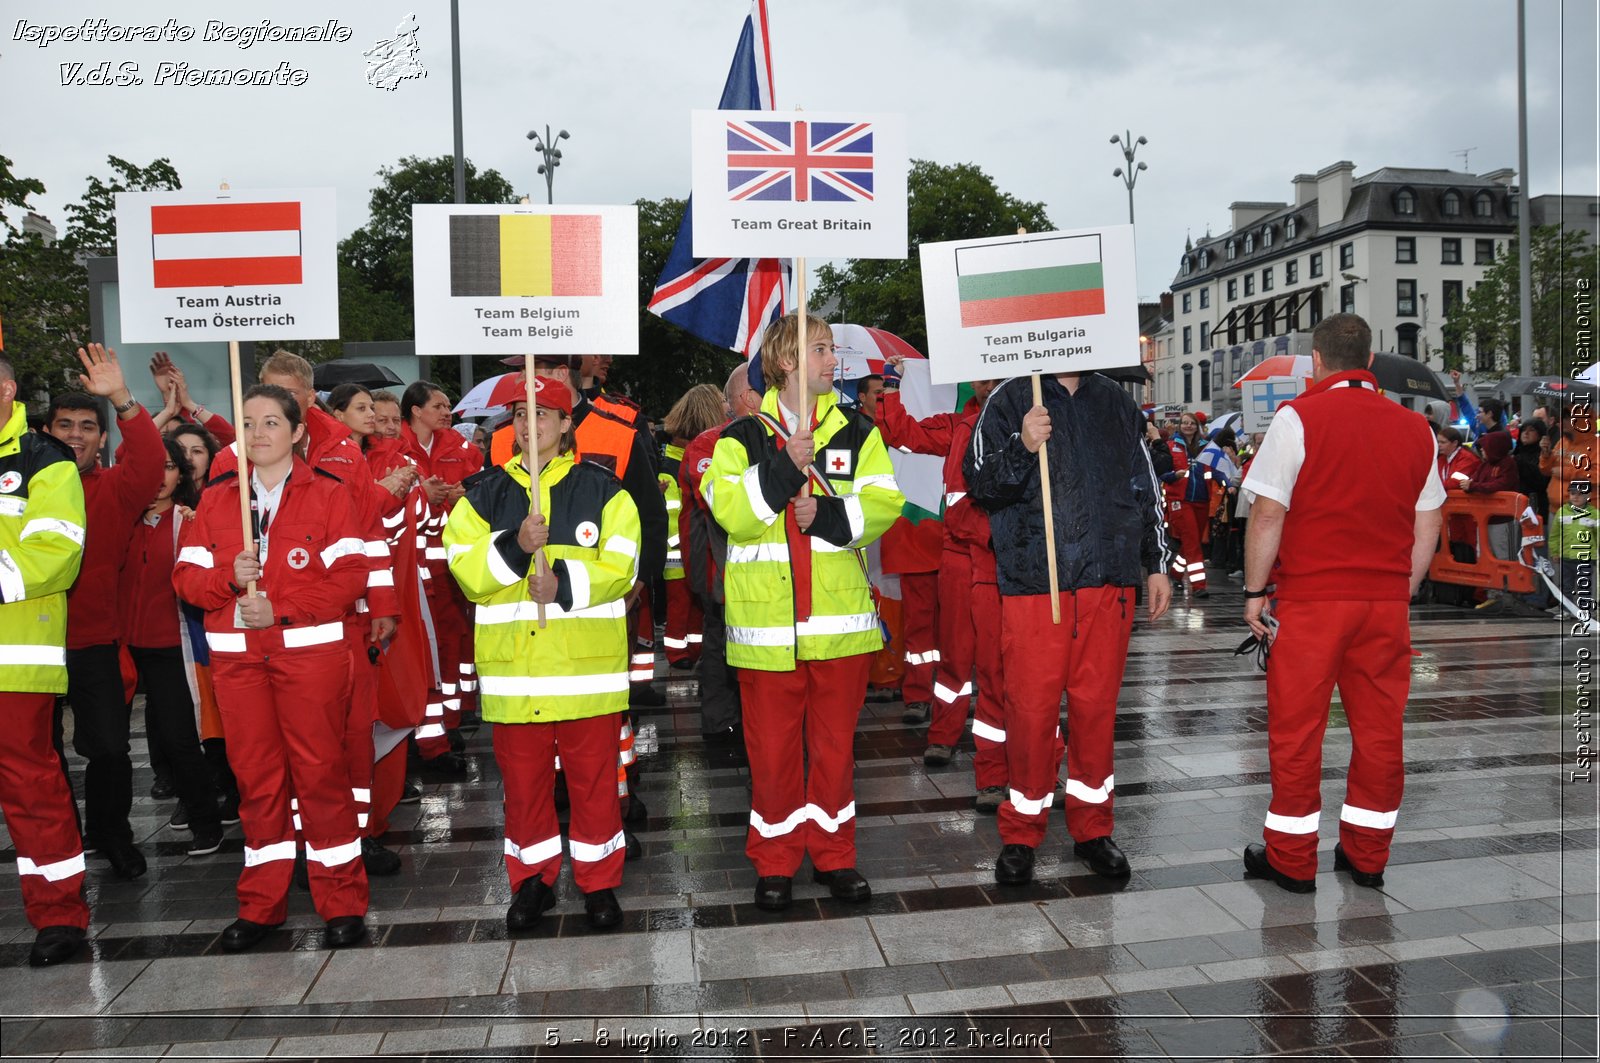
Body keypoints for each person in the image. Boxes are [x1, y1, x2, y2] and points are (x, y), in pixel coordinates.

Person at [704, 313, 904, 910]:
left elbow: (884, 501)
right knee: (771, 756)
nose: (831, 361)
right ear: (786, 359)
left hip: (839, 630)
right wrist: (785, 464)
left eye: (830, 350)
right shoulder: (738, 438)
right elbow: (731, 512)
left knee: (836, 752)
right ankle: (775, 860)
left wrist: (831, 518)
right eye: (819, 350)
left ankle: (835, 856)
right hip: (766, 632)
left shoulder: (857, 430)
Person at [1240, 314, 1444, 893]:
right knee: (1380, 731)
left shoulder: (1297, 418)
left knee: (1297, 732)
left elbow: (1269, 512)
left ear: (1317, 360)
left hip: (1311, 602)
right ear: (1371, 362)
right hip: (1383, 603)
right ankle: (1368, 854)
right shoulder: (1415, 428)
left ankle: (1291, 858)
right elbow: (1428, 519)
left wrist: (1255, 593)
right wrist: (1401, 587)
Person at [172, 384, 371, 951]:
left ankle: (341, 901)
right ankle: (262, 905)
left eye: (271, 423)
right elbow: (185, 581)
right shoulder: (215, 500)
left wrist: (279, 609)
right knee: (256, 783)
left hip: (310, 657)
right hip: (238, 665)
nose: (258, 434)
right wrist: (229, 581)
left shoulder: (328, 494)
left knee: (320, 774)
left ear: (298, 433)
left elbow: (350, 577)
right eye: (249, 423)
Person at [443, 376, 640, 930]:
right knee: (524, 791)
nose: (531, 426)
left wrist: (566, 586)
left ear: (565, 424)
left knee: (595, 788)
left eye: (544, 414)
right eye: (520, 415)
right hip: (516, 678)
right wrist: (515, 547)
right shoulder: (482, 493)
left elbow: (622, 564)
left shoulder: (605, 489)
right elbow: (466, 570)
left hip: (586, 676)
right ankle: (532, 883)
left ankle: (599, 884)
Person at [966, 359, 1173, 885]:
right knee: (1031, 715)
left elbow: (1144, 486)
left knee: (1096, 713)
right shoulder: (1010, 400)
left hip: (1108, 584)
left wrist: (1156, 563)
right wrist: (1022, 445)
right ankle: (1021, 833)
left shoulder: (1116, 402)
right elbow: (981, 485)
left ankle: (1093, 828)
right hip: (1038, 585)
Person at [43, 343, 165, 880]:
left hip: (94, 644)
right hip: (30, 645)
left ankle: (111, 832)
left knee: (111, 752)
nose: (75, 434)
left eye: (87, 426)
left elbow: (150, 462)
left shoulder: (116, 490)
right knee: (38, 759)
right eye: (65, 424)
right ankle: (59, 839)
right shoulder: (21, 488)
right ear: (47, 433)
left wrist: (121, 397)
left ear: (101, 437)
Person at [875, 357, 1007, 800]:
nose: (984, 382)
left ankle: (1000, 764)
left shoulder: (1029, 425)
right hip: (957, 556)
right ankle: (944, 735)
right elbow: (902, 435)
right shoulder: (959, 425)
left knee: (997, 666)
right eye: (980, 374)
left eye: (993, 375)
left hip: (1001, 560)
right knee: (954, 654)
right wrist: (892, 386)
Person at [0, 352, 94, 967]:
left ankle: (59, 917)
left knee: (31, 788)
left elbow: (56, 551)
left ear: (6, 390)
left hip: (13, 660)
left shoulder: (44, 460)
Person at [121, 439, 225, 857]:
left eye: (168, 467)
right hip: (122, 646)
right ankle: (107, 832)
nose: (159, 477)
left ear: (180, 474)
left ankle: (207, 822)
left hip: (172, 647)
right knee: (109, 746)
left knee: (181, 740)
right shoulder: (120, 520)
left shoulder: (191, 522)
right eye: (151, 467)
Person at [400, 380, 484, 771]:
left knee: (454, 643)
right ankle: (430, 731)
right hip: (411, 566)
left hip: (453, 560)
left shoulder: (461, 447)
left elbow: (481, 488)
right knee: (426, 651)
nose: (446, 411)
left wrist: (463, 494)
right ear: (415, 411)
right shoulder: (395, 448)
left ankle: (451, 720)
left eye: (448, 405)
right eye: (438, 405)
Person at [679, 363, 764, 744]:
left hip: (753, 575)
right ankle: (722, 728)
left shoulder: (783, 438)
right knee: (719, 648)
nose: (727, 409)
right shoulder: (708, 444)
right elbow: (718, 505)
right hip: (719, 574)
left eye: (729, 401)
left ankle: (742, 722)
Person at [658, 385, 724, 670]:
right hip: (678, 555)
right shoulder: (673, 464)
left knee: (695, 610)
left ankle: (694, 650)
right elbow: (674, 514)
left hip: (688, 551)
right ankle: (677, 652)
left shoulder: (674, 458)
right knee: (680, 607)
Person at [1549, 479, 1597, 610]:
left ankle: (1585, 610)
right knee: (1565, 585)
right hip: (1566, 557)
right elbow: (1554, 535)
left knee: (1584, 586)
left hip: (1586, 558)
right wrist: (1555, 552)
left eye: (1580, 494)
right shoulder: (1562, 512)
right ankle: (1565, 610)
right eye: (1573, 493)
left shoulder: (1595, 514)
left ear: (1588, 496)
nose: (1575, 497)